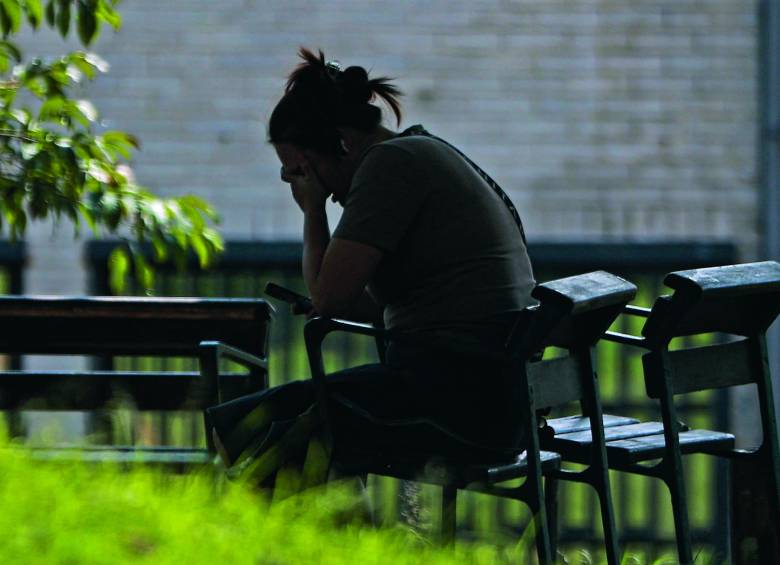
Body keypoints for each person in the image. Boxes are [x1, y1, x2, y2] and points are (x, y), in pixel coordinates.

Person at [205, 48, 537, 490]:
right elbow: (403, 302)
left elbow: (328, 300)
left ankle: (306, 534)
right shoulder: (420, 150)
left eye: (302, 170)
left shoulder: (389, 166)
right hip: (487, 389)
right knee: (270, 420)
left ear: (341, 143)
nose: (302, 184)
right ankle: (342, 529)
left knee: (265, 424)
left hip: (460, 401)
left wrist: (312, 212)